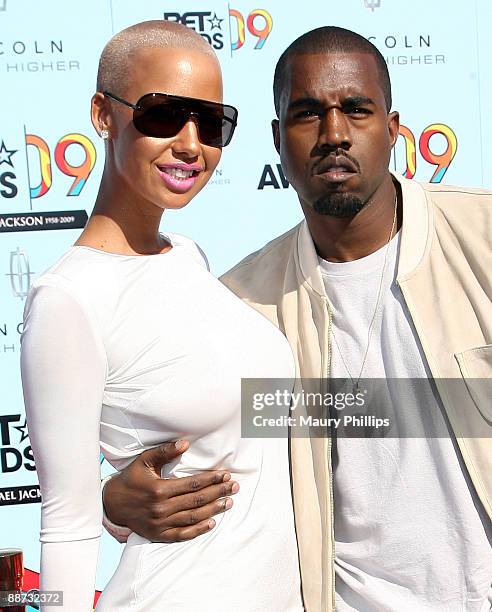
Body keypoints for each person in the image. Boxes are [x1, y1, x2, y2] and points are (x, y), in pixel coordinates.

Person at [103, 26, 492, 611]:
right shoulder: (241, 305)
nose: (334, 134)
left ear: (392, 131)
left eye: (355, 110)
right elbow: (175, 453)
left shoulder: (481, 239)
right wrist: (113, 502)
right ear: (277, 139)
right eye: (308, 114)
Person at [20, 20, 304, 612]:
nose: (190, 143)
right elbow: (66, 528)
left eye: (211, 121)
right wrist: (109, 507)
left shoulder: (191, 256)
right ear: (103, 114)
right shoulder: (68, 299)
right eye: (162, 115)